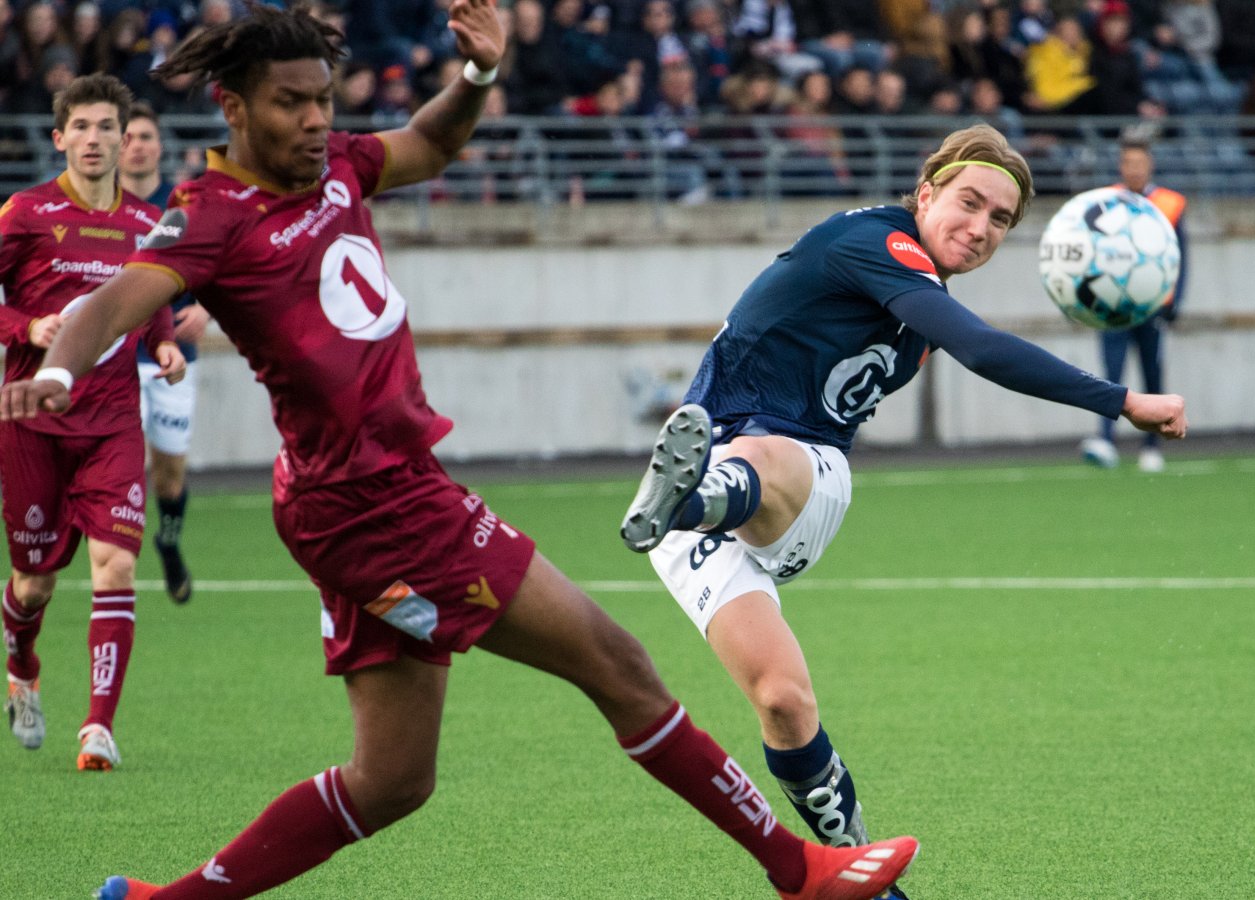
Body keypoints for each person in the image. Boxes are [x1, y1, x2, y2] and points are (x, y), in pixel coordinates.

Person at [0, 5, 916, 899]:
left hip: (361, 494)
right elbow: (114, 300)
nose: (316, 119)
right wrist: (62, 372)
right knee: (621, 666)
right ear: (235, 108)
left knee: (392, 779)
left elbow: (428, 144)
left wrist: (477, 73)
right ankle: (800, 873)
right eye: (290, 102)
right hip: (378, 505)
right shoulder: (211, 213)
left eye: (323, 98)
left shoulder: (339, 166)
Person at [619, 123, 1187, 899]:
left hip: (788, 485)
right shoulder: (873, 242)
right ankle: (860, 873)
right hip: (734, 476)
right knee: (784, 700)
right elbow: (984, 351)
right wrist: (1124, 401)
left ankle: (696, 497)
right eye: (969, 202)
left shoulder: (917, 296)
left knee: (766, 458)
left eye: (1000, 220)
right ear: (925, 193)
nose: (981, 228)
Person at [0, 73, 185, 773]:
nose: (95, 139)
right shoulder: (25, 212)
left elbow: (153, 300)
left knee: (117, 564)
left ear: (124, 138)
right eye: (80, 127)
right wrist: (26, 324)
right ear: (59, 138)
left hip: (112, 424)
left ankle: (98, 728)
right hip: (32, 424)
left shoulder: (148, 224)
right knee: (34, 583)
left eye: (107, 126)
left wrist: (163, 344)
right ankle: (21, 662)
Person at [120, 101, 209, 604]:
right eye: (129, 136)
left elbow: (214, 267)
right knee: (120, 461)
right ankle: (116, 559)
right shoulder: (103, 207)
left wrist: (206, 311)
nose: (138, 145)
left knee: (170, 471)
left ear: (159, 145)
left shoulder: (180, 206)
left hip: (173, 356)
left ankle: (169, 543)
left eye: (147, 136)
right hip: (115, 358)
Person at [1080, 135, 1189, 472]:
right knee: (1109, 374)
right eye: (1128, 163)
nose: (1134, 170)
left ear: (1150, 165)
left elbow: (1181, 256)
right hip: (1114, 305)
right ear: (1120, 166)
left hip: (1151, 305)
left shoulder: (1169, 203)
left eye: (1140, 164)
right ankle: (1106, 439)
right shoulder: (1106, 202)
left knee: (1151, 372)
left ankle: (1153, 444)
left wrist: (1175, 300)